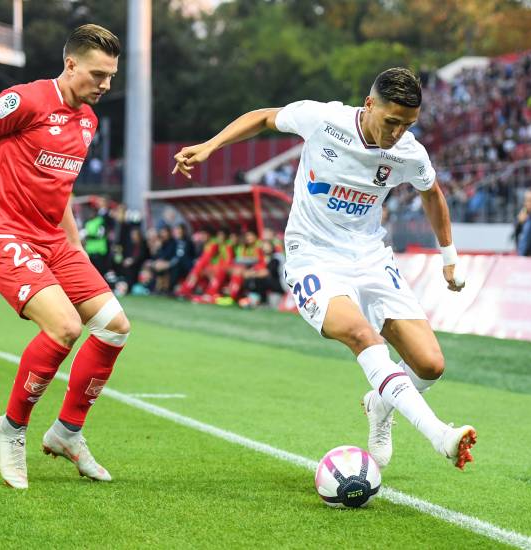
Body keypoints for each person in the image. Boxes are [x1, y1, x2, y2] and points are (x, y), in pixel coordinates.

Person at [173, 67, 476, 470]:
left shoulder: (408, 152)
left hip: (370, 257)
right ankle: (439, 434)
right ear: (369, 105)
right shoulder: (324, 120)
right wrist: (210, 146)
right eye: (391, 122)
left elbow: (432, 193)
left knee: (430, 365)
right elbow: (264, 116)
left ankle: (379, 406)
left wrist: (450, 257)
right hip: (312, 254)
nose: (397, 133)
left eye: (407, 125)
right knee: (361, 335)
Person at [0, 24, 127, 489]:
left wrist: (74, 246)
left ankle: (67, 433)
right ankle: (11, 428)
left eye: (112, 77)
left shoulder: (87, 121)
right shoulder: (28, 100)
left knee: (115, 327)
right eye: (98, 74)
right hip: (2, 233)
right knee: (64, 327)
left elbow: (63, 187)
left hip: (52, 239)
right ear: (71, 63)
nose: (105, 85)